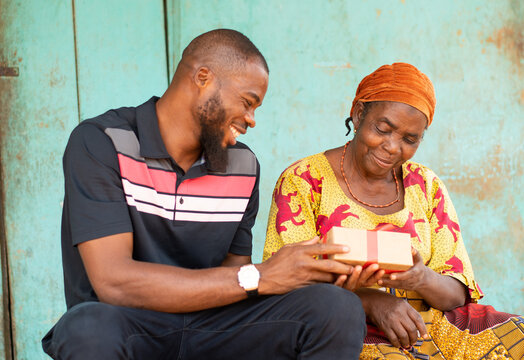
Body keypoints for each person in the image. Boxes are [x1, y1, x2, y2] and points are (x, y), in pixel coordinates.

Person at [41, 29, 368, 360]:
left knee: (335, 309)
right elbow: (114, 282)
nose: (252, 120)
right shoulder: (102, 142)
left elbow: (236, 279)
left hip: (212, 328)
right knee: (85, 327)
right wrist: (262, 274)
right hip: (128, 325)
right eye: (247, 102)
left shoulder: (243, 164)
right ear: (203, 78)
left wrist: (312, 277)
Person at [263, 63, 524, 360]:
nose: (391, 147)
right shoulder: (304, 180)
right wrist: (371, 301)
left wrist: (420, 277)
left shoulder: (426, 185)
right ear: (359, 114)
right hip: (348, 329)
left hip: (431, 328)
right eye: (382, 129)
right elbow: (284, 282)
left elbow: (456, 295)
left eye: (409, 140)